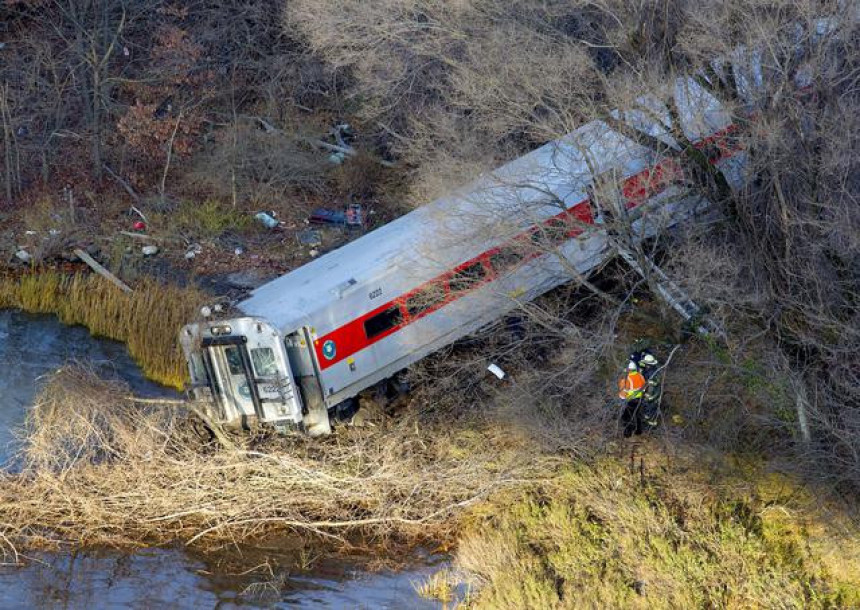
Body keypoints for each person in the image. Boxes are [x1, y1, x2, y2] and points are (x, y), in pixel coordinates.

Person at [618, 361, 647, 437]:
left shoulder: (626, 380)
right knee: (637, 415)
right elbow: (644, 388)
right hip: (640, 399)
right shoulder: (640, 376)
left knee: (626, 417)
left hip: (631, 401)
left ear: (629, 370)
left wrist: (622, 398)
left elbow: (623, 395)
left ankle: (628, 433)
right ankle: (639, 431)